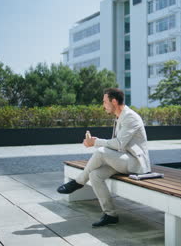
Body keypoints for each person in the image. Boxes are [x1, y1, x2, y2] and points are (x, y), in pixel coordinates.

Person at [57, 88, 151, 227]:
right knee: (95, 175)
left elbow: (118, 144)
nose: (103, 105)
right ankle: (110, 214)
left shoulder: (130, 117)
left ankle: (79, 182)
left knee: (101, 151)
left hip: (135, 163)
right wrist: (95, 141)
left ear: (114, 101)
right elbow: (116, 145)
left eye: (105, 102)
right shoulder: (119, 117)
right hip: (123, 158)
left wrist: (95, 142)